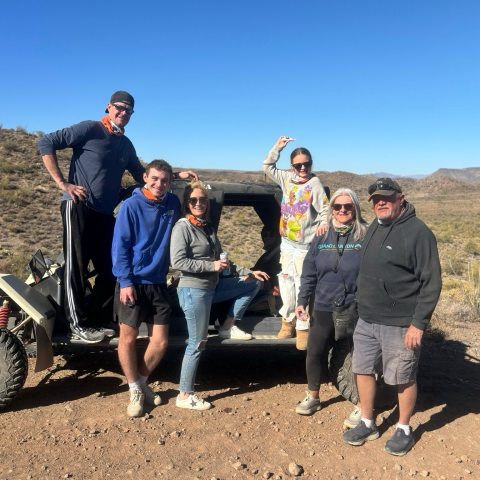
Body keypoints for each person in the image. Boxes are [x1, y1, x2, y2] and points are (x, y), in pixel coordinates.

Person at [38, 91, 197, 343]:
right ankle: (77, 325)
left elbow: (143, 175)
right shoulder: (89, 129)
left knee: (110, 268)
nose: (123, 113)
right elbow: (46, 142)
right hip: (78, 205)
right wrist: (63, 184)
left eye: (128, 110)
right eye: (119, 107)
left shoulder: (125, 144)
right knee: (76, 267)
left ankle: (98, 318)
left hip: (104, 212)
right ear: (108, 107)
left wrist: (176, 175)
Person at [343, 178, 442, 456]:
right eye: (375, 199)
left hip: (400, 323)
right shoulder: (376, 225)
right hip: (368, 318)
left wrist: (418, 323)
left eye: (386, 197)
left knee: (403, 376)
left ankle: (404, 428)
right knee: (361, 369)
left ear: (401, 198)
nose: (380, 203)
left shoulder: (418, 233)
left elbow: (431, 282)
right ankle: (367, 421)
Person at [170, 181, 269, 410]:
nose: (198, 204)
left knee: (252, 284)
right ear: (187, 202)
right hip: (194, 290)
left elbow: (225, 263)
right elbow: (178, 262)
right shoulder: (183, 227)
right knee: (197, 342)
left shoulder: (207, 227)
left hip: (211, 288)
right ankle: (185, 395)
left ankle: (228, 325)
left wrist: (249, 272)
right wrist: (211, 266)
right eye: (193, 200)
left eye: (202, 200)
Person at [112, 159, 180, 417]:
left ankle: (140, 381)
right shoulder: (131, 206)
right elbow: (120, 246)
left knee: (160, 342)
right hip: (133, 282)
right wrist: (126, 281)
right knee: (128, 338)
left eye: (164, 180)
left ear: (170, 182)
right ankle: (135, 390)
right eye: (154, 179)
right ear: (145, 177)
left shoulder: (172, 203)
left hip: (158, 282)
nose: (159, 184)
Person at [294, 188, 368, 416]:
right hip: (325, 303)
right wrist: (302, 299)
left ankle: (362, 405)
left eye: (348, 206)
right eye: (338, 206)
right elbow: (309, 271)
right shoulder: (321, 235)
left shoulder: (365, 235)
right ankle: (313, 396)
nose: (343, 210)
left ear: (355, 208)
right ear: (332, 210)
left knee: (360, 356)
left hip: (355, 305)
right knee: (315, 351)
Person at [263, 136, 329, 349]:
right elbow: (267, 167)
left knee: (303, 287)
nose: (303, 168)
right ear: (292, 167)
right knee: (286, 284)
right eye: (298, 165)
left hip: (305, 247)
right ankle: (287, 321)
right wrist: (278, 148)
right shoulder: (286, 179)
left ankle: (302, 327)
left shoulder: (314, 183)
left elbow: (326, 209)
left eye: (306, 164)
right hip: (287, 244)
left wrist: (322, 225)